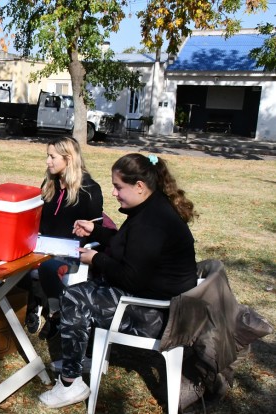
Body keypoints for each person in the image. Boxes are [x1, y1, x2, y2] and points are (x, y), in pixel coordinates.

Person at [38, 153, 198, 409]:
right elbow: (129, 247)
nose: (113, 193)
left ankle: (70, 382)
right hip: (162, 301)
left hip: (157, 316)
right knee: (84, 291)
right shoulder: (152, 208)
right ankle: (81, 359)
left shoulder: (152, 222)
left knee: (74, 297)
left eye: (118, 186)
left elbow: (131, 277)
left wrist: (97, 259)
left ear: (139, 186)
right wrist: (97, 231)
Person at [27, 137, 103, 339]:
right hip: (43, 245)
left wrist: (86, 234)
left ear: (68, 159)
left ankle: (55, 312)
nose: (48, 162)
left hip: (71, 252)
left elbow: (97, 229)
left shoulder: (90, 190)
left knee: (49, 267)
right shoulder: (50, 184)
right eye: (48, 156)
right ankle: (30, 306)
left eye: (52, 157)